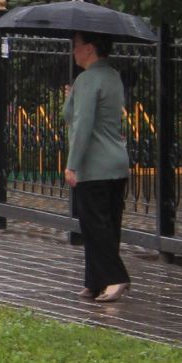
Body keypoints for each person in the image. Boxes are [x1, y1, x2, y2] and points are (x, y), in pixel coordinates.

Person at [65, 30, 130, 301]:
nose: (73, 50)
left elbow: (82, 125)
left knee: (94, 226)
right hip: (116, 161)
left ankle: (115, 277)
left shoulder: (87, 79)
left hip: (94, 164)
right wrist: (73, 97)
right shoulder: (112, 76)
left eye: (76, 45)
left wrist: (72, 165)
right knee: (109, 223)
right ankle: (95, 281)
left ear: (89, 48)